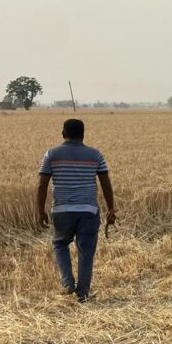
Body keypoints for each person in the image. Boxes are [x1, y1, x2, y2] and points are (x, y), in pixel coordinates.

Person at [37, 119, 116, 302]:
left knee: (60, 244)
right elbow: (106, 184)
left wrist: (40, 210)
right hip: (88, 210)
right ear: (83, 135)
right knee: (86, 250)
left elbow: (42, 185)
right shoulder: (95, 155)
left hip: (61, 210)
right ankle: (83, 293)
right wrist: (111, 208)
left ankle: (67, 283)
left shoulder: (51, 154)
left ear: (63, 134)